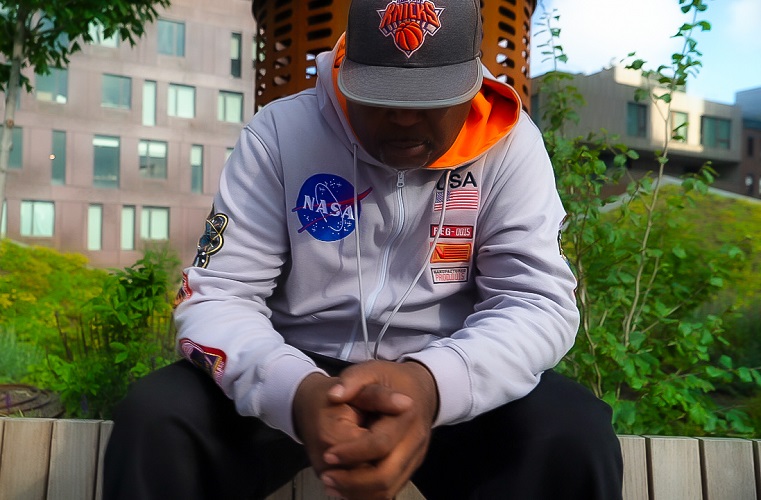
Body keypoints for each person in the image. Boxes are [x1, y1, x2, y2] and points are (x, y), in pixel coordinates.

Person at [104, 0, 623, 498]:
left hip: (447, 367)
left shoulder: (508, 144)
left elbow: (535, 301)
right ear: (346, 68)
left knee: (571, 434)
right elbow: (218, 295)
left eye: (429, 96)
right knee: (157, 419)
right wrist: (296, 390)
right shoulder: (281, 134)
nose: (403, 116)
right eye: (379, 92)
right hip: (296, 366)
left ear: (472, 82)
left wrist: (431, 384)